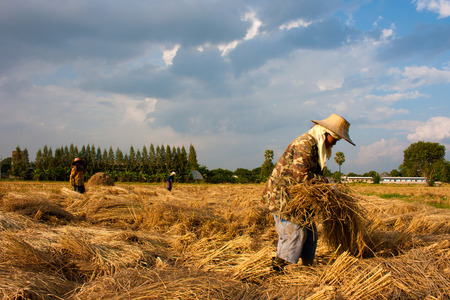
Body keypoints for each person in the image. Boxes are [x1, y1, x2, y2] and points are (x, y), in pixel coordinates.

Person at [261, 113, 355, 270]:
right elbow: (302, 175)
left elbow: (311, 174)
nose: (335, 144)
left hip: (298, 197)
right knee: (293, 232)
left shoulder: (315, 146)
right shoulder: (305, 144)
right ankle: (281, 269)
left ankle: (306, 267)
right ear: (327, 134)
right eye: (335, 139)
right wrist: (327, 183)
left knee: (310, 232)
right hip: (283, 197)